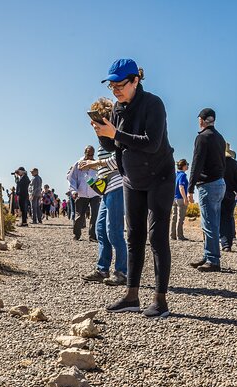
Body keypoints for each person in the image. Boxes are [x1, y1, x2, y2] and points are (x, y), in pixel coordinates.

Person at [93, 58, 175, 317]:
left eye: (120, 84)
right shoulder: (117, 109)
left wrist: (115, 134)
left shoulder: (154, 104)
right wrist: (101, 133)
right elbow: (116, 146)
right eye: (111, 85)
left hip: (160, 176)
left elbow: (151, 143)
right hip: (132, 178)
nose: (115, 89)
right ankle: (131, 296)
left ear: (136, 80)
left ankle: (160, 301)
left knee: (157, 236)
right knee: (134, 236)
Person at [80, 97, 128, 287]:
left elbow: (120, 159)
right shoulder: (103, 139)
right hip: (107, 187)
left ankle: (122, 271)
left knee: (114, 230)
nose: (93, 124)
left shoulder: (115, 135)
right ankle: (102, 268)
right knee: (101, 229)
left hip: (117, 184)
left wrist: (95, 163)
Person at [188, 108, 227, 272]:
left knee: (208, 223)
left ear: (202, 120)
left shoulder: (202, 138)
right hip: (220, 183)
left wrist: (190, 188)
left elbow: (196, 163)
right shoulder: (220, 138)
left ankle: (213, 260)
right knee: (214, 222)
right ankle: (208, 254)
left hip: (208, 185)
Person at [67, 146, 101, 241]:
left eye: (92, 154)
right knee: (80, 215)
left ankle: (92, 236)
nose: (90, 156)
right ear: (84, 152)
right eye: (88, 154)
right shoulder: (78, 164)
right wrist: (73, 191)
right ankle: (77, 235)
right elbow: (71, 178)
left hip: (95, 193)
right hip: (81, 194)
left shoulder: (96, 164)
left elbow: (101, 177)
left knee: (94, 215)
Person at [220, 143, 237, 251]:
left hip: (217, 192)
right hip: (230, 194)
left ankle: (222, 241)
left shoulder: (216, 162)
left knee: (218, 217)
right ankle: (227, 243)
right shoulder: (234, 163)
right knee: (228, 217)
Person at [170, 159, 190, 241]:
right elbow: (181, 187)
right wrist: (185, 198)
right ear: (184, 166)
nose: (188, 166)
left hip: (174, 198)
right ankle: (180, 236)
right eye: (187, 164)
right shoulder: (183, 175)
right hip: (181, 198)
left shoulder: (175, 175)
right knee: (180, 218)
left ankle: (172, 235)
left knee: (174, 217)